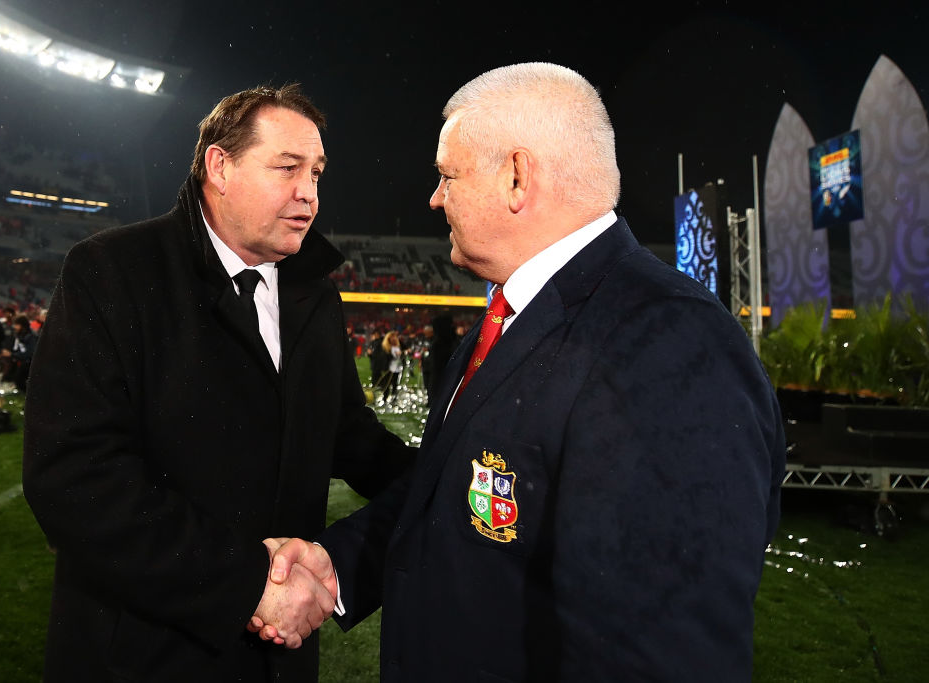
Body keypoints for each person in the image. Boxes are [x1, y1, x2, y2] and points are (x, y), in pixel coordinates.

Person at [263, 62, 786, 680]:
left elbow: (661, 651)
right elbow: (456, 490)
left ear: (517, 176)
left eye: (447, 175)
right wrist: (337, 566)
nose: (435, 198)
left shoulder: (667, 340)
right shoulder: (510, 314)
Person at [21, 83, 414, 682]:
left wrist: (442, 473)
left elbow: (346, 435)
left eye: (317, 172)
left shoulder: (313, 292)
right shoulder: (114, 271)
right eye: (287, 168)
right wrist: (244, 584)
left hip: (278, 661)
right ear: (219, 165)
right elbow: (73, 476)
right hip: (144, 654)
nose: (308, 192)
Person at [0, 314, 37, 392]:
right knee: (18, 379)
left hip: (31, 363)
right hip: (23, 361)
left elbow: (29, 353)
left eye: (16, 324)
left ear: (23, 325)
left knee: (22, 380)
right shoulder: (20, 334)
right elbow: (17, 348)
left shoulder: (31, 336)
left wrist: (12, 355)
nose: (14, 326)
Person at [380, 329, 403, 402]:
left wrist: (401, 354)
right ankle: (385, 398)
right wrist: (394, 355)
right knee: (387, 384)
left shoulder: (398, 346)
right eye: (392, 337)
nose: (394, 338)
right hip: (389, 368)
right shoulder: (386, 347)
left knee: (395, 384)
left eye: (395, 337)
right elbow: (385, 358)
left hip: (397, 368)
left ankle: (394, 398)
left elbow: (401, 357)